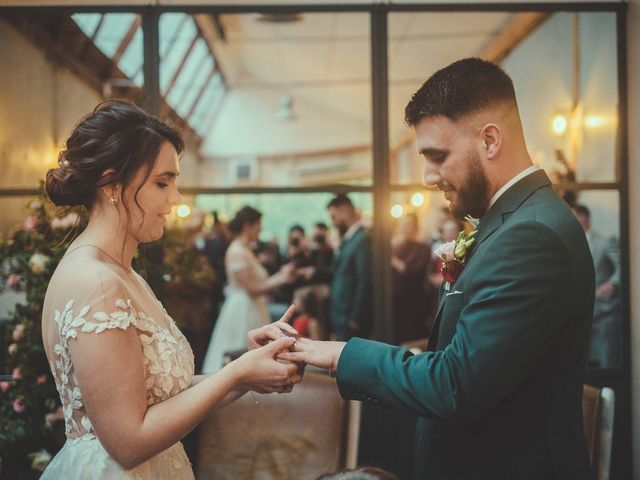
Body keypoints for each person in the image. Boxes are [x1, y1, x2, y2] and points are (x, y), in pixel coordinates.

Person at [262, 58, 596, 479]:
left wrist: (339, 354)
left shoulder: (531, 236)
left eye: (437, 156)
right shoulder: (511, 222)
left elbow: (455, 383)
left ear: (490, 140)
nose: (427, 177)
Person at [40, 101, 302, 479]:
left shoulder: (121, 274)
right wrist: (235, 374)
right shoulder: (96, 282)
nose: (176, 198)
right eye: (162, 182)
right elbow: (127, 442)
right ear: (113, 184)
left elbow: (161, 397)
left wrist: (245, 371)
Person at [201, 206, 297, 373]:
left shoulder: (244, 249)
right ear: (248, 226)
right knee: (239, 352)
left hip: (252, 305)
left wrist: (281, 274)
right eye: (258, 225)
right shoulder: (237, 251)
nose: (260, 229)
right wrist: (282, 278)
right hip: (243, 308)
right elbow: (253, 289)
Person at [302, 194, 373, 340]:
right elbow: (338, 272)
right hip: (341, 312)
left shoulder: (363, 240)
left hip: (350, 315)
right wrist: (314, 271)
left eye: (334, 216)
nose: (333, 222)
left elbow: (365, 280)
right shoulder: (349, 239)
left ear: (345, 211)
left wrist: (356, 317)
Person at [574, 204, 621, 366]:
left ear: (583, 217)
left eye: (573, 216)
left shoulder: (605, 241)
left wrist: (613, 284)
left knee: (606, 362)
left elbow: (624, 266)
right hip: (576, 316)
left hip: (603, 313)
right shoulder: (568, 243)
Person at [390, 213, 431, 344]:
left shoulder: (422, 248)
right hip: (394, 301)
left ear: (414, 227)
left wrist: (394, 261)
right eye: (403, 224)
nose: (405, 227)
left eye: (408, 224)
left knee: (412, 339)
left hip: (413, 300)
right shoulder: (394, 247)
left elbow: (416, 272)